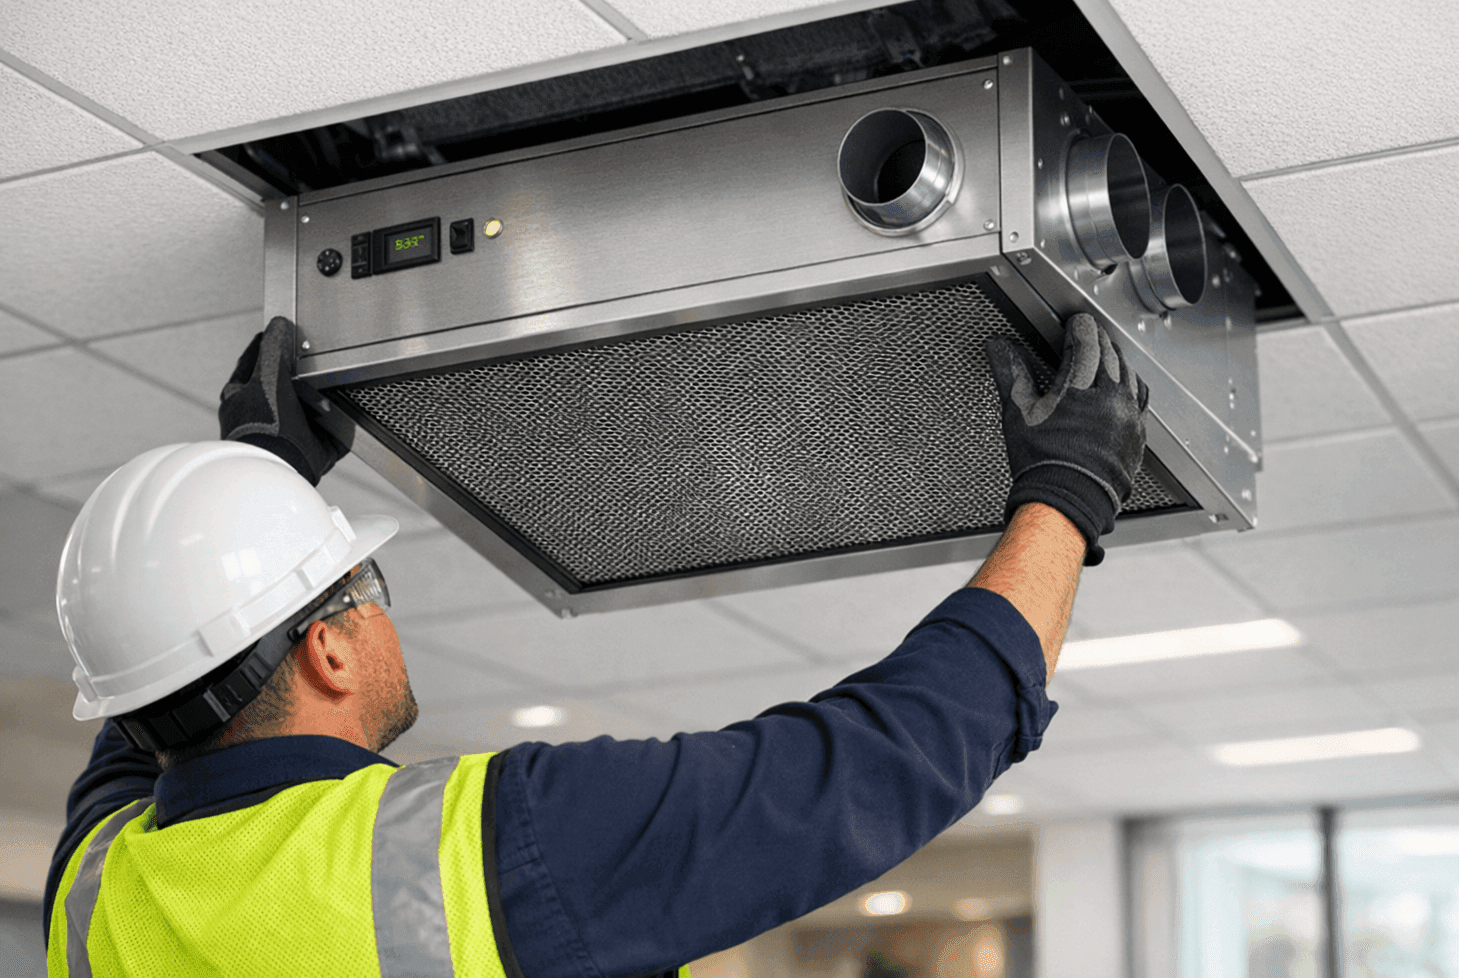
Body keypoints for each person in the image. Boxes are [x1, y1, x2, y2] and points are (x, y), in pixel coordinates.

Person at [44, 313, 1148, 977]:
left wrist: (253, 491)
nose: (383, 609)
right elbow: (877, 762)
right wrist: (1066, 494)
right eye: (362, 584)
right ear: (329, 650)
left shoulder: (99, 901)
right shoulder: (486, 850)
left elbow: (164, 696)